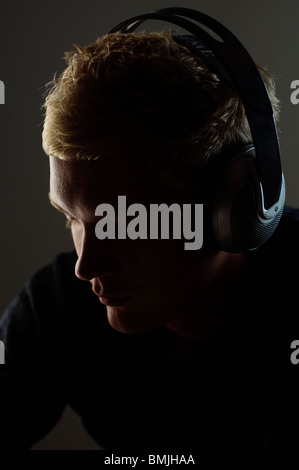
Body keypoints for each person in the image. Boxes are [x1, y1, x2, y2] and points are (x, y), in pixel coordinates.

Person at [0, 29, 299, 450]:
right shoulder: (57, 309)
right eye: (71, 218)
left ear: (235, 209)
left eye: (123, 223)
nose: (85, 268)